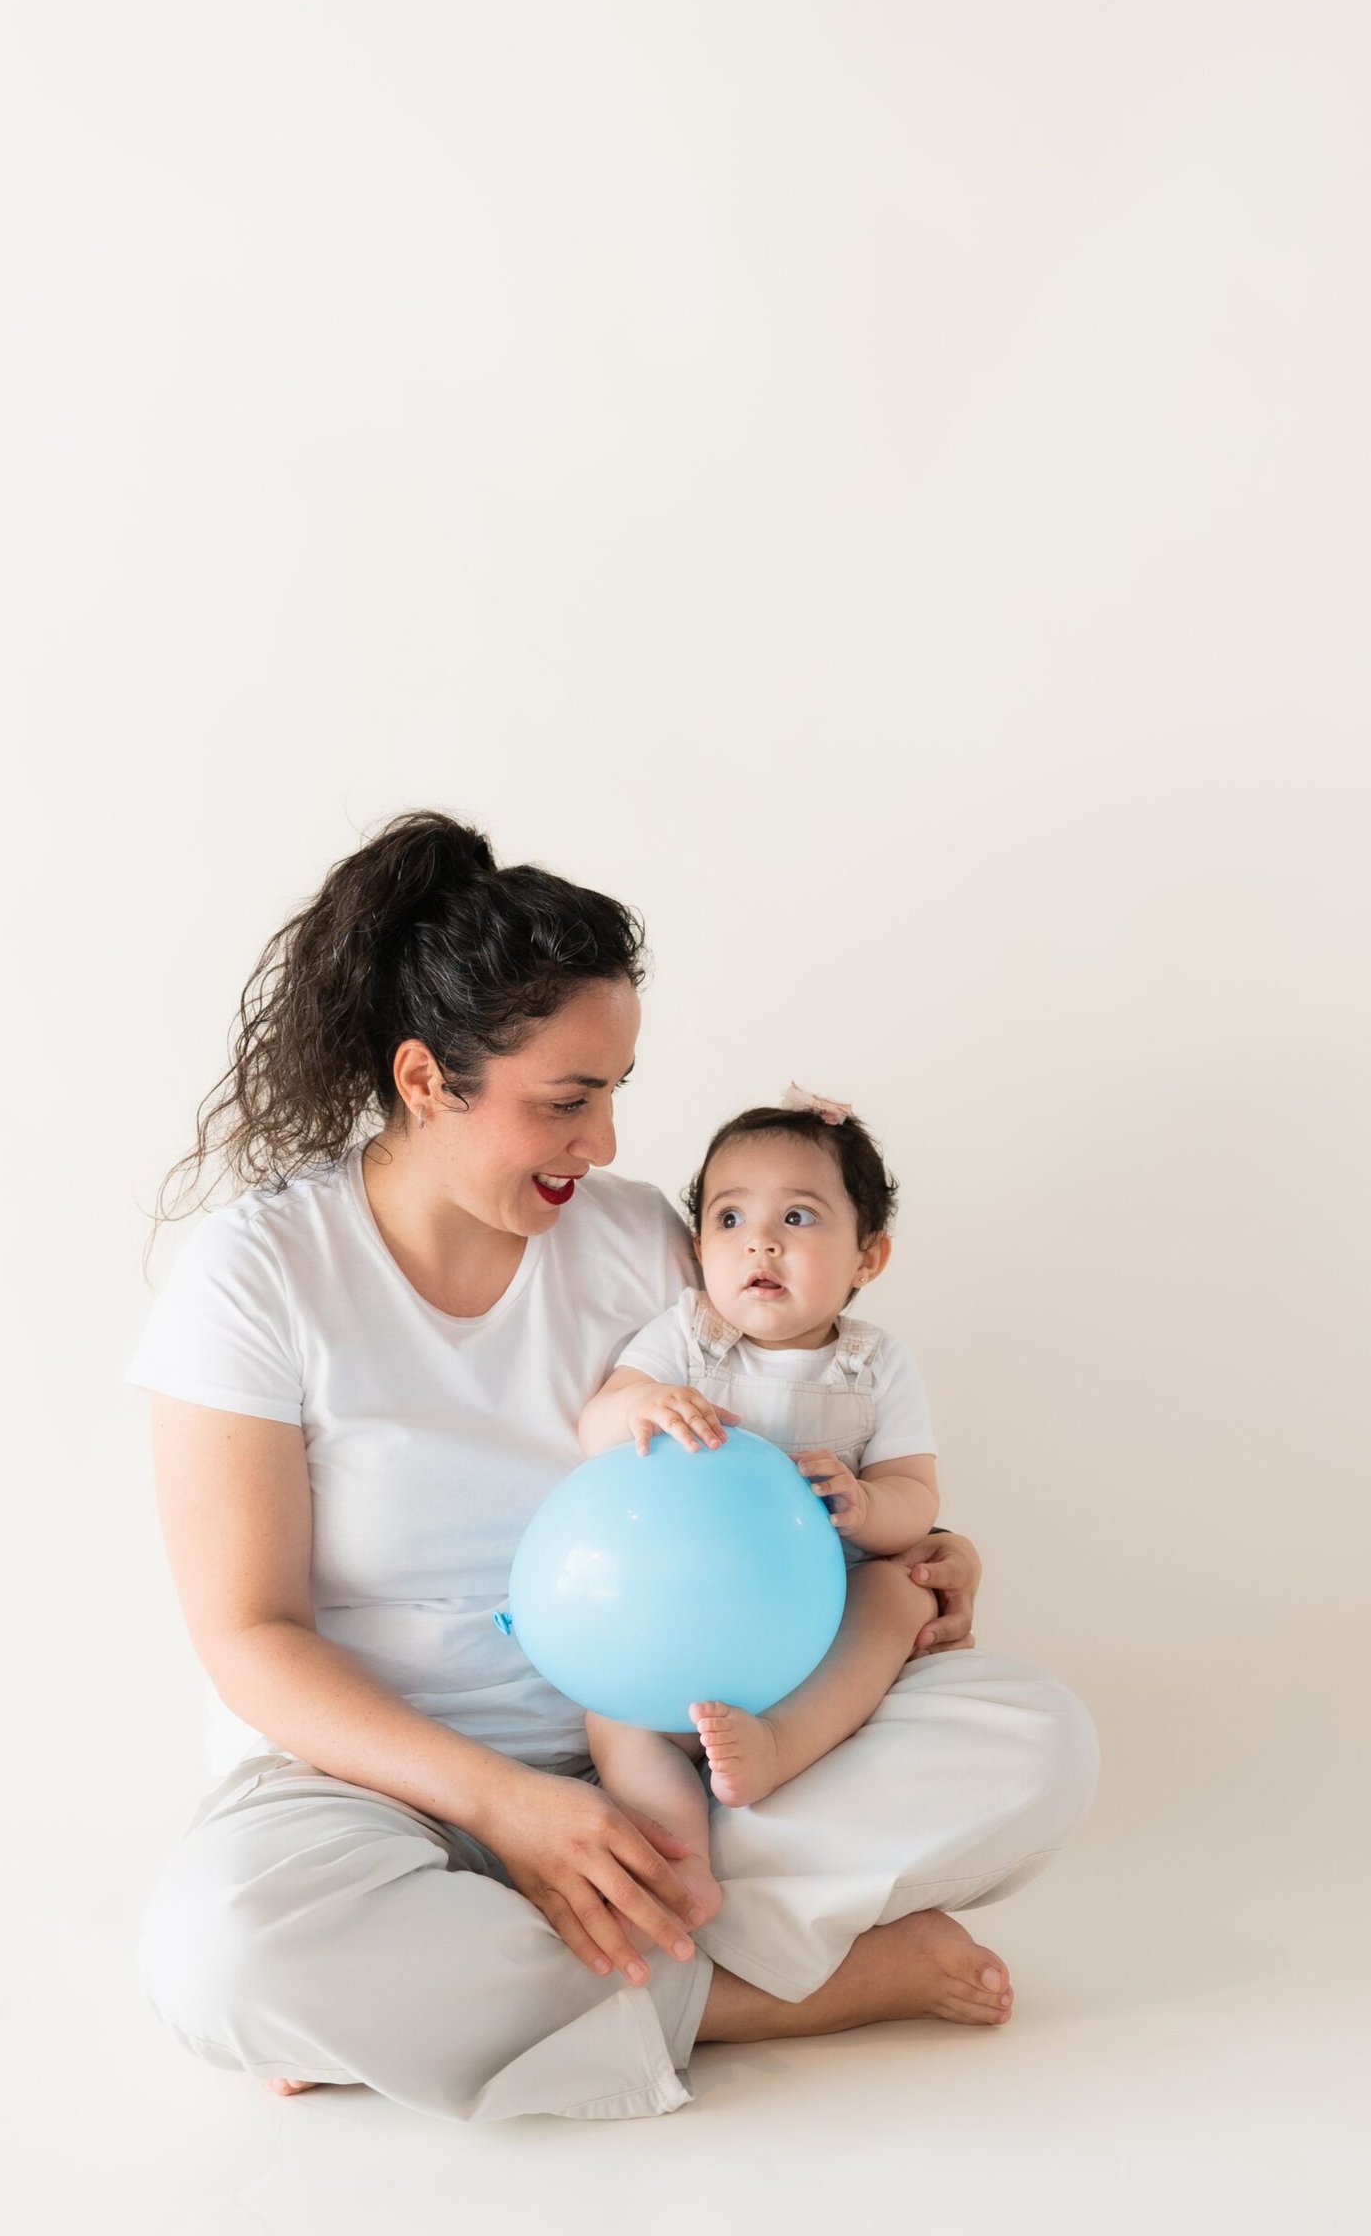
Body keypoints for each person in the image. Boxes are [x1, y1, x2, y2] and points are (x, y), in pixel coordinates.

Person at [125, 807, 1099, 2125]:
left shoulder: (643, 1246)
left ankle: (472, 1998)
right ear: (426, 1081)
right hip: (364, 1793)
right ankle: (783, 1993)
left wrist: (912, 1553)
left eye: (618, 1092)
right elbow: (250, 1636)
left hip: (662, 1766)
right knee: (227, 1957)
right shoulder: (258, 1276)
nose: (609, 1146)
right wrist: (513, 1813)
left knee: (1035, 1742)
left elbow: (784, 1474)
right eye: (567, 1102)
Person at [577, 1084, 948, 1929]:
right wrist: (639, 1409)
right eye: (731, 1219)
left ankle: (784, 1745)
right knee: (612, 1710)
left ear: (869, 1258)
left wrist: (861, 1504)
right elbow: (597, 1421)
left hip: (813, 1631)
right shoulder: (686, 1336)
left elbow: (917, 1502)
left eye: (801, 1219)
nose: (763, 1244)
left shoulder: (874, 1367)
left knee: (900, 1591)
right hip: (682, 1613)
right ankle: (679, 1863)